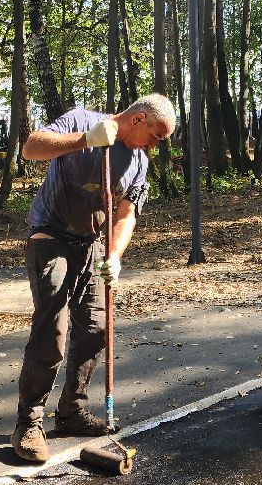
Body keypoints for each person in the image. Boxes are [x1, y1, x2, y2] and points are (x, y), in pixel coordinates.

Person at [11, 93, 178, 463]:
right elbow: (31, 148)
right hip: (50, 235)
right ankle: (29, 423)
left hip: (92, 243)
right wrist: (86, 139)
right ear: (137, 120)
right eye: (154, 136)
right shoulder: (80, 120)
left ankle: (70, 411)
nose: (154, 145)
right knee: (52, 330)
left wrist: (115, 255)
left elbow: (126, 213)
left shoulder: (138, 161)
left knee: (96, 328)